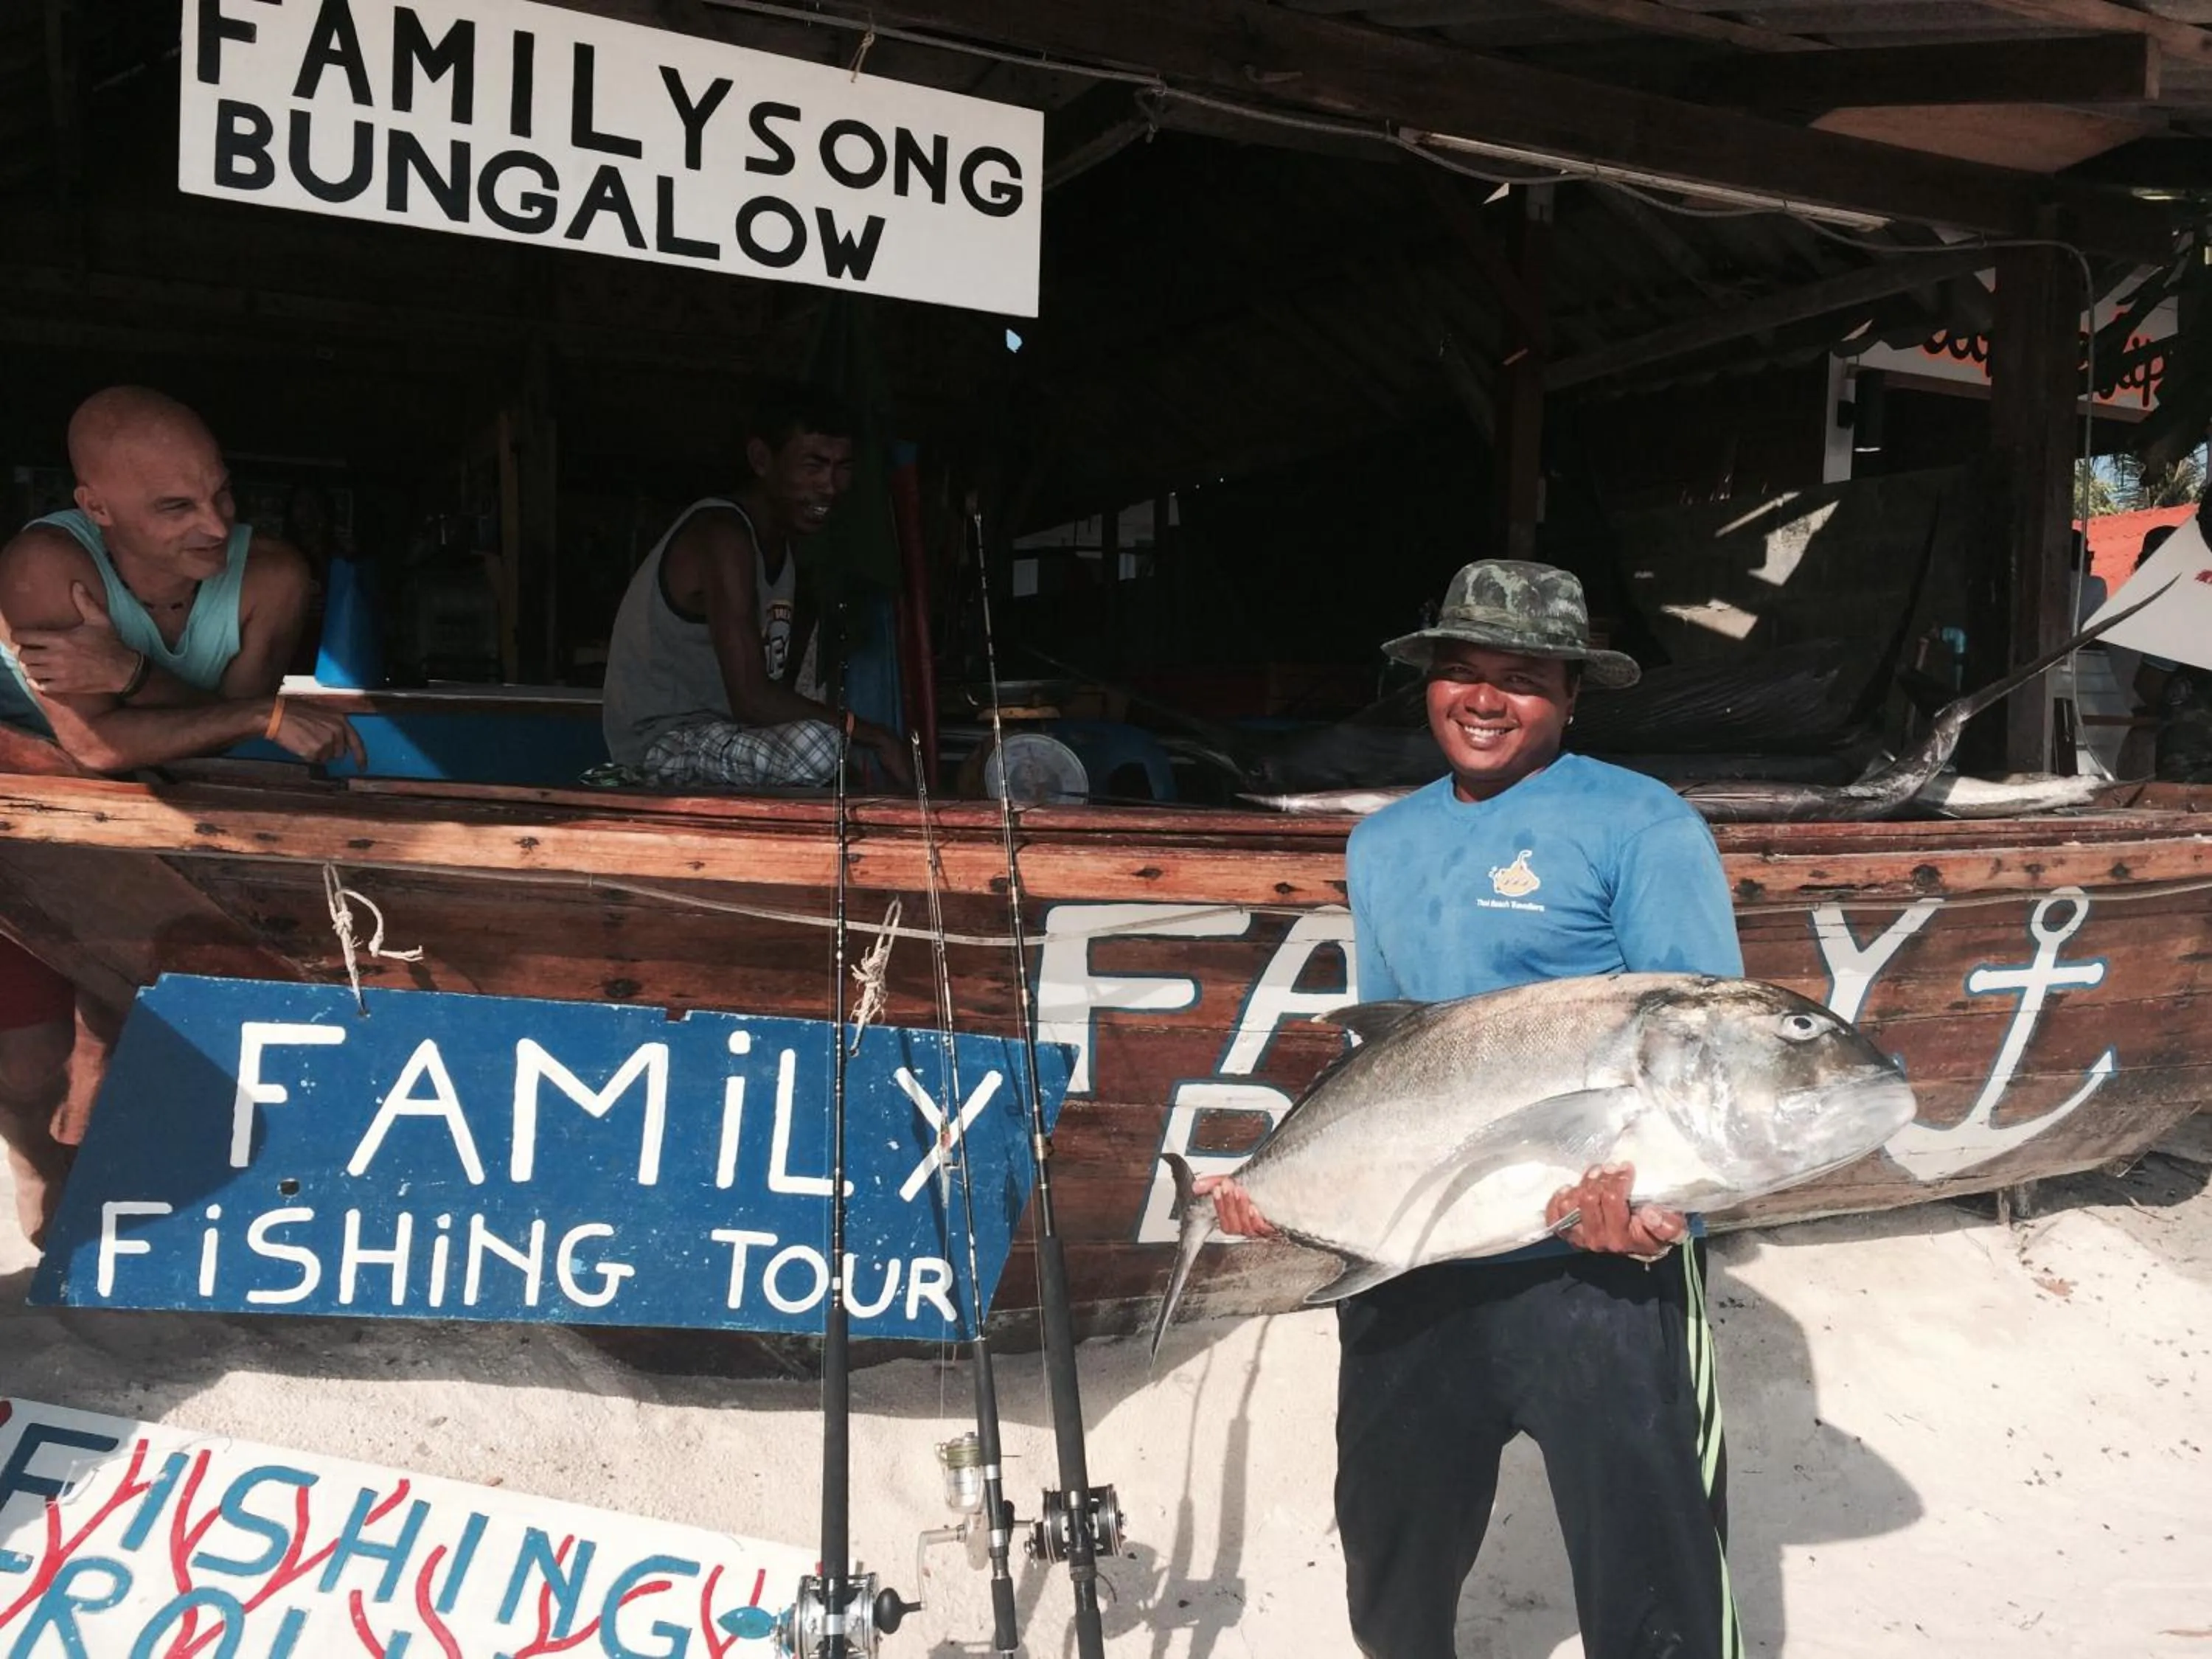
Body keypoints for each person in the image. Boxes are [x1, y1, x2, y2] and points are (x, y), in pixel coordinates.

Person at [1200, 560, 1746, 1659]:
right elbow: (1397, 1062)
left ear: (1573, 694)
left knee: (1654, 1570)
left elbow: (1705, 1054)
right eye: (1461, 673)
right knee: (1394, 1556)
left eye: (1521, 676)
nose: (1484, 699)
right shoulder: (1381, 842)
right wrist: (1289, 1194)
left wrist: (1658, 1214)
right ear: (1428, 684)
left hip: (1594, 1271)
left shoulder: (1642, 824)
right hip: (1418, 1257)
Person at [0, 385, 361, 1247]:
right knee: (24, 1061)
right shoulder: (43, 567)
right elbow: (96, 747)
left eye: (222, 493)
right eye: (174, 506)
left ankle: (86, 1197)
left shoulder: (272, 576)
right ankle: (34, 1176)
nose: (212, 523)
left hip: (155, 819)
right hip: (22, 816)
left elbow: (203, 758)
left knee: (131, 1037)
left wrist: (126, 675)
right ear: (96, 508)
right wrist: (249, 713)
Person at [601, 383, 911, 790]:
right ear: (762, 460)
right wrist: (875, 735)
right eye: (813, 466)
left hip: (727, 738)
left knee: (830, 750)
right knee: (820, 746)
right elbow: (752, 698)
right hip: (662, 745)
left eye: (843, 468)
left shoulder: (783, 548)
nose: (830, 487)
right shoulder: (722, 533)